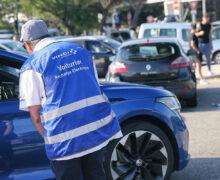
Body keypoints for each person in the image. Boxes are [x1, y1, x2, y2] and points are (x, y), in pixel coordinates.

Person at [19, 20, 122, 180]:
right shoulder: (81, 51)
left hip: (64, 144)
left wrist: (52, 141)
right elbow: (94, 86)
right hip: (97, 134)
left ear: (27, 45)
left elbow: (35, 115)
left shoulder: (31, 66)